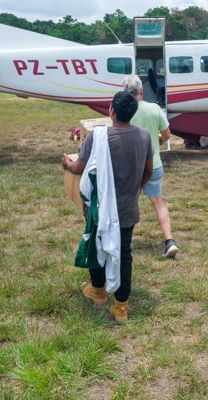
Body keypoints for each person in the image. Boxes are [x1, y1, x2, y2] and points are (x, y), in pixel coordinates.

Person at [63, 91, 153, 323]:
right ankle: (121, 306)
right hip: (127, 208)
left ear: (112, 111)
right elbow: (148, 171)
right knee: (124, 254)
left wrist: (66, 162)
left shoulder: (98, 136)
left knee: (96, 245)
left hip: (99, 207)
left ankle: (98, 291)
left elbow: (78, 168)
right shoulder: (144, 136)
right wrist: (136, 189)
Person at [122, 74, 179, 258]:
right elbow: (167, 134)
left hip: (130, 167)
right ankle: (169, 240)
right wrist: (156, 143)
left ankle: (122, 240)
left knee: (126, 203)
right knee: (158, 202)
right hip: (153, 165)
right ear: (142, 91)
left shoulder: (123, 111)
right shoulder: (154, 109)